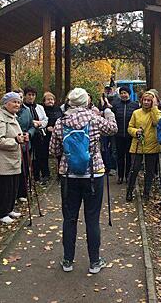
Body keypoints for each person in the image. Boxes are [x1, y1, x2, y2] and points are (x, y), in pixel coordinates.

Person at [49, 88, 117, 274]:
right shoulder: (95, 119)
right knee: (92, 219)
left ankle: (67, 261)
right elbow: (113, 129)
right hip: (93, 175)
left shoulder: (60, 123)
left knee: (69, 219)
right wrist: (108, 110)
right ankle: (95, 262)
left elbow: (53, 150)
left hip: (69, 176)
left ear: (70, 102)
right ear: (86, 101)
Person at [0, 92, 26, 224]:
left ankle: (9, 209)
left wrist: (22, 138)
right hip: (3, 159)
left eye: (18, 102)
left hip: (13, 158)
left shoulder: (12, 117)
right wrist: (16, 140)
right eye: (14, 102)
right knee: (5, 187)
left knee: (13, 185)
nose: (17, 104)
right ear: (6, 104)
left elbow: (15, 135)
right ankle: (1, 213)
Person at [126, 91, 161, 202]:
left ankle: (146, 192)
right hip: (137, 145)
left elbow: (158, 123)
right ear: (141, 101)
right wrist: (136, 132)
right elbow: (130, 127)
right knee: (134, 169)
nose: (146, 102)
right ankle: (129, 191)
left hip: (152, 146)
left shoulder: (157, 112)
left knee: (149, 171)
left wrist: (154, 108)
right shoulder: (136, 113)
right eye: (144, 100)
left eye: (149, 100)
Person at [111, 86, 139, 184]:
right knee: (119, 156)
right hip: (118, 135)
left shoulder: (134, 105)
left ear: (129, 94)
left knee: (129, 156)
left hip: (130, 135)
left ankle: (128, 176)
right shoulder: (115, 105)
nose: (123, 95)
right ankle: (120, 176)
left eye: (125, 93)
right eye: (121, 93)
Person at [22, 87, 48, 184]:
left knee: (39, 155)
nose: (31, 97)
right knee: (28, 156)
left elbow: (45, 120)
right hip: (28, 134)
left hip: (39, 133)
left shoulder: (39, 107)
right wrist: (32, 123)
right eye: (29, 95)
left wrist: (39, 123)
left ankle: (38, 176)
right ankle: (27, 177)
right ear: (25, 96)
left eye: (33, 95)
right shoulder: (23, 108)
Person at [15, 90, 35, 203]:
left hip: (26, 145)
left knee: (25, 169)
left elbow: (32, 125)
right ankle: (14, 193)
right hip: (14, 145)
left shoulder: (27, 111)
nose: (19, 100)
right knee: (15, 170)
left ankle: (22, 192)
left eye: (20, 98)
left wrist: (29, 133)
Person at [42, 92, 63, 181]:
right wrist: (47, 128)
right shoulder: (42, 109)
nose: (50, 101)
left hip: (57, 134)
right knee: (44, 155)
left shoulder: (58, 109)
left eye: (52, 99)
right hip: (45, 135)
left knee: (59, 154)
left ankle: (60, 173)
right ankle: (46, 174)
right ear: (44, 101)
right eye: (48, 99)